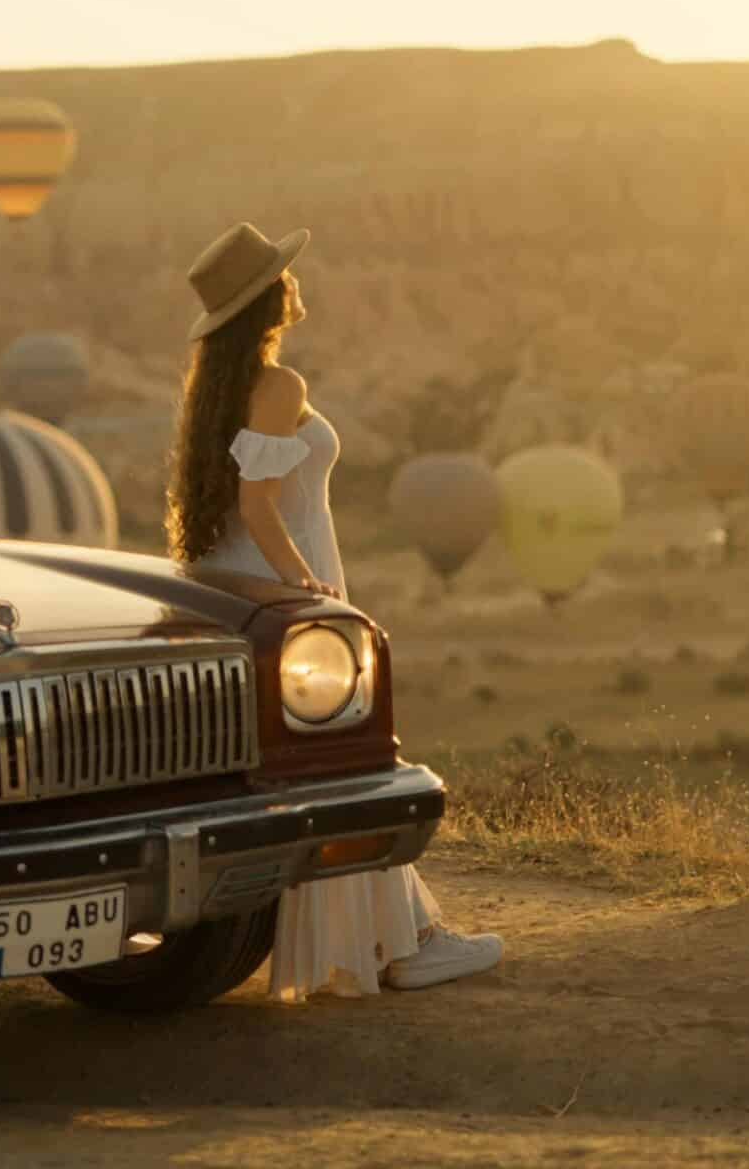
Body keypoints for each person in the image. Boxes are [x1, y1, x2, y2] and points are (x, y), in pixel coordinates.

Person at [170, 221, 504, 1001]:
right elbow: (259, 504)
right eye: (286, 277)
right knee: (345, 753)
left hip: (232, 578)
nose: (297, 285)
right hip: (285, 573)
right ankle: (404, 944)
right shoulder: (279, 385)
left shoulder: (217, 391)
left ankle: (403, 930)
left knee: (300, 762)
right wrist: (305, 586)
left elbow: (234, 507)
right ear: (271, 300)